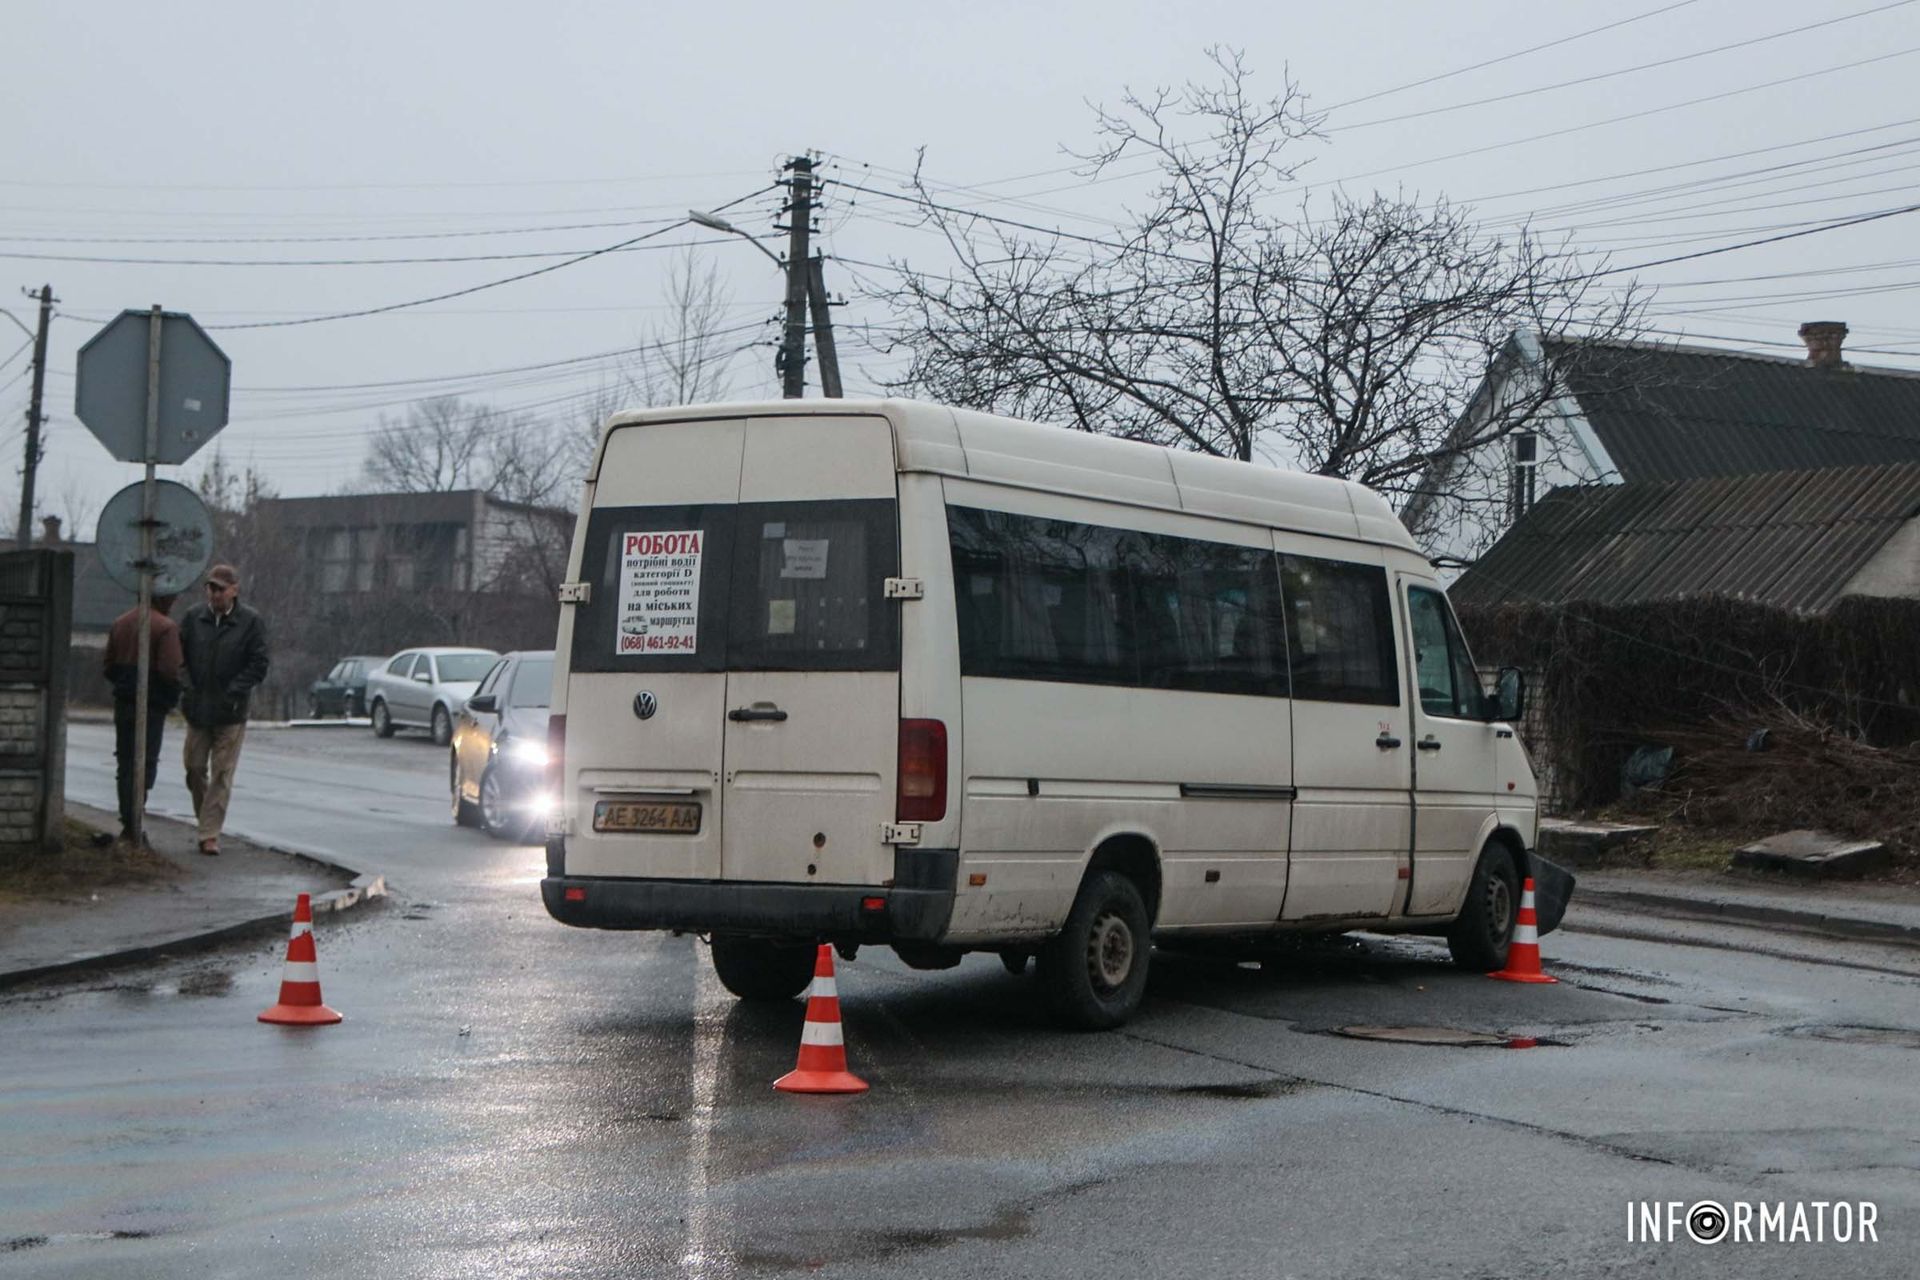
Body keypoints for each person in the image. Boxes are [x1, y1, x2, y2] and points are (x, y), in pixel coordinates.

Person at [179, 563, 270, 855]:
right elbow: (180, 658)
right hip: (198, 708)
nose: (214, 594)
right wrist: (188, 688)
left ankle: (209, 833)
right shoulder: (194, 618)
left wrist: (234, 690)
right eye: (210, 587)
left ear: (234, 590)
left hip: (231, 711)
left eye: (220, 588)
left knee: (221, 774)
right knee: (194, 768)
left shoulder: (250, 622)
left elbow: (259, 664)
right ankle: (206, 819)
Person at [102, 593, 184, 844]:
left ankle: (128, 819)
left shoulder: (120, 623)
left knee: (125, 762)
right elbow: (170, 670)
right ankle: (135, 821)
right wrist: (171, 696)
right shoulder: (166, 627)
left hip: (124, 703)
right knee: (145, 763)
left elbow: (108, 665)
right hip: (152, 706)